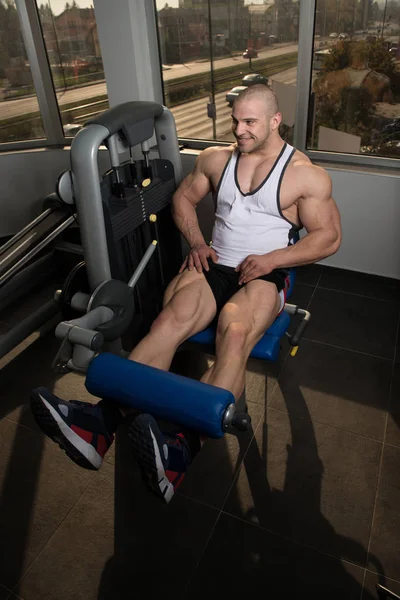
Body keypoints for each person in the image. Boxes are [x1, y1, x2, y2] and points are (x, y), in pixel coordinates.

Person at [31, 84, 342, 504]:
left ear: (274, 121)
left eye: (250, 122)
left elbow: (328, 238)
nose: (240, 130)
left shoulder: (304, 174)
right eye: (235, 120)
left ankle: (178, 451)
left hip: (264, 275)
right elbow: (182, 199)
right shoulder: (216, 160)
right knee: (169, 321)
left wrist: (273, 260)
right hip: (214, 265)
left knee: (232, 335)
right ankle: (98, 424)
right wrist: (197, 242)